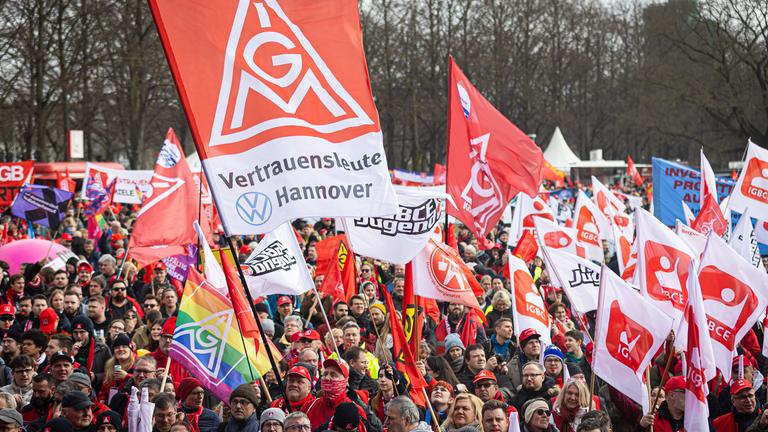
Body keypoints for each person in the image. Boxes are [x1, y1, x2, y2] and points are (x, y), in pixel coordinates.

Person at [508, 328, 544, 393]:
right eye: (531, 343)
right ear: (523, 348)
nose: (535, 345)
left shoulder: (547, 360)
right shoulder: (513, 365)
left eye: (537, 342)